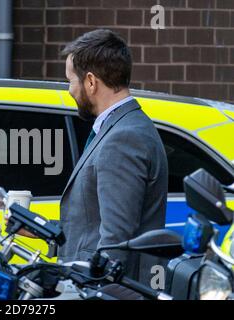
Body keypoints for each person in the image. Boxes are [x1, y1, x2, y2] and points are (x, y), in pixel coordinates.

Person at [59, 29, 168, 285]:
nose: (69, 89)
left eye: (70, 80)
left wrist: (93, 289)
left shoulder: (123, 138)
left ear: (90, 82)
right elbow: (92, 222)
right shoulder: (124, 128)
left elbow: (115, 241)